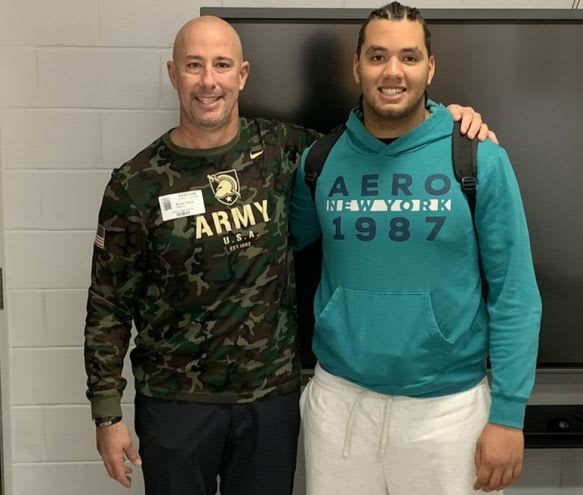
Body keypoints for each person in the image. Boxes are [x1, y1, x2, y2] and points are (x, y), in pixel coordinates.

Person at [83, 14, 496, 495]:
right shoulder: (135, 183)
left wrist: (449, 117)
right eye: (194, 66)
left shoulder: (288, 151)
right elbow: (108, 304)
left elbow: (378, 129)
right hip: (175, 402)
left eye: (222, 65)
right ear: (173, 75)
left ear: (243, 75)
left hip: (270, 401)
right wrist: (106, 413)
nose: (209, 81)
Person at [291, 3, 542, 495]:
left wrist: (509, 416)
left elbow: (514, 293)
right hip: (339, 405)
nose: (392, 72)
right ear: (356, 65)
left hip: (447, 414)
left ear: (431, 67)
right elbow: (274, 250)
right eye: (378, 56)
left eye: (409, 57)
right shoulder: (318, 161)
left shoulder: (476, 157)